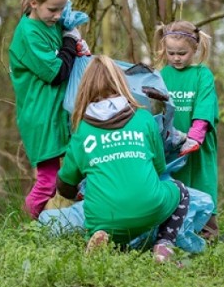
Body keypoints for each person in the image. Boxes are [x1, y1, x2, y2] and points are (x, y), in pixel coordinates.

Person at [56, 55, 189, 263]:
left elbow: (64, 185)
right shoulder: (143, 118)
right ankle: (164, 245)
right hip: (149, 208)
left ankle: (104, 237)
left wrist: (80, 192)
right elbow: (159, 167)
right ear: (121, 83)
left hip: (102, 217)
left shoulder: (82, 131)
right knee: (180, 191)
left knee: (92, 194)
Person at [9, 0, 90, 219]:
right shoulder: (29, 33)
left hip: (61, 112)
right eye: (52, 10)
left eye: (62, 9)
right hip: (42, 116)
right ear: (34, 3)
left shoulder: (52, 24)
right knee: (47, 182)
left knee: (82, 170)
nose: (58, 16)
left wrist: (77, 46)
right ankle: (26, 230)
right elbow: (56, 73)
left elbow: (68, 57)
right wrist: (69, 40)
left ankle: (69, 222)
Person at [154, 20, 219, 240]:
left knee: (202, 181)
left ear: (195, 49)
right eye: (171, 53)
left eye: (182, 53)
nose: (176, 58)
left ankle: (208, 231)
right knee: (174, 185)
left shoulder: (203, 74)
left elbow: (205, 105)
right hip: (172, 145)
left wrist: (196, 135)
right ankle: (173, 232)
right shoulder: (162, 74)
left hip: (197, 145)